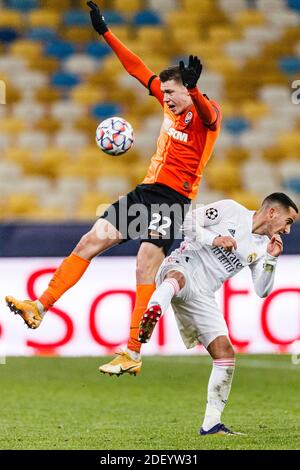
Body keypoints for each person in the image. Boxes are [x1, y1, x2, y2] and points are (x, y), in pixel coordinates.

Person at [5, 1, 222, 376]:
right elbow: (138, 69)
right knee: (90, 241)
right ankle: (40, 306)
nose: (167, 98)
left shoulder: (206, 115)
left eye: (173, 92)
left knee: (144, 266)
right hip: (146, 192)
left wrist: (196, 88)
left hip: (174, 199)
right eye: (165, 92)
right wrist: (105, 32)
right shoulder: (170, 108)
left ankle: (133, 352)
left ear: (188, 90)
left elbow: (207, 114)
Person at [137, 193, 298, 435]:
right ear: (273, 212)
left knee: (225, 352)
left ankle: (211, 424)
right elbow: (186, 222)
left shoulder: (263, 247)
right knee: (177, 279)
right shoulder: (230, 209)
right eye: (289, 221)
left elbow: (262, 290)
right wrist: (214, 239)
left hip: (204, 293)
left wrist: (272, 260)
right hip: (184, 263)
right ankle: (153, 311)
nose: (288, 230)